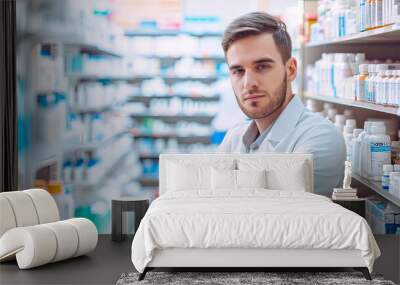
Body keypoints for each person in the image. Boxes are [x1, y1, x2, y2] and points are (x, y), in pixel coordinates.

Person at [217, 12, 346, 196]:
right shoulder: (234, 138)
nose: (248, 83)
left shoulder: (320, 137)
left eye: (262, 66)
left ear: (291, 69)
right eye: (238, 71)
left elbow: (276, 217)